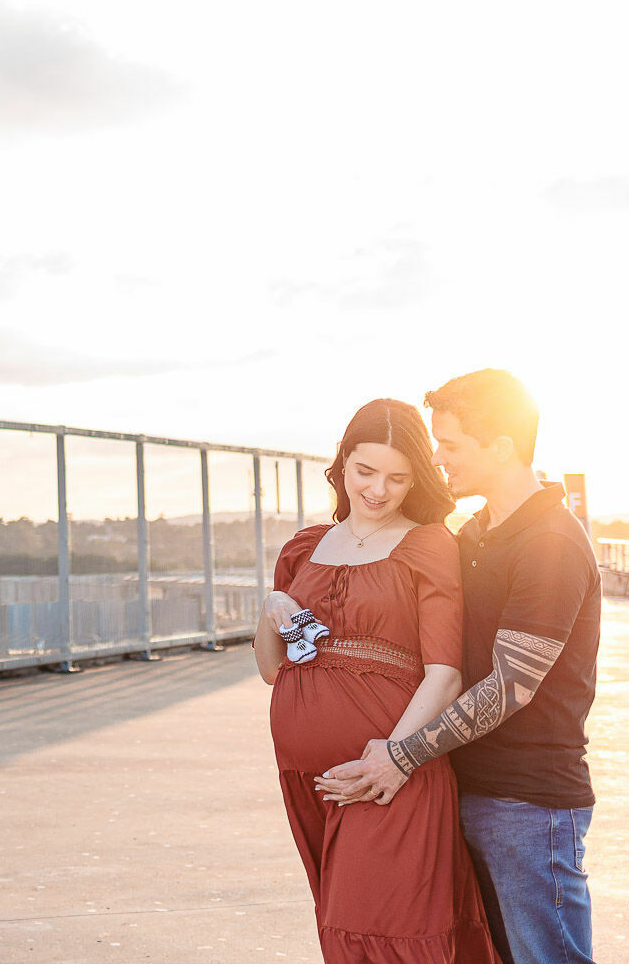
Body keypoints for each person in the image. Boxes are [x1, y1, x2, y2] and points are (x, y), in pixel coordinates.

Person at [316, 370, 601, 964]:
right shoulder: (473, 534)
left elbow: (511, 685)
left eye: (450, 445)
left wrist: (402, 755)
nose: (438, 459)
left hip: (528, 806)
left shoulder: (551, 542)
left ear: (499, 448)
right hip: (462, 789)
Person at [260, 398, 500, 962]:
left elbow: (444, 675)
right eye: (365, 471)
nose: (378, 490)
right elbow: (273, 669)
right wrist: (270, 605)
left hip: (390, 772)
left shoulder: (428, 543)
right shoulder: (303, 547)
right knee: (342, 932)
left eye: (397, 478)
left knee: (382, 936)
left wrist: (392, 758)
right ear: (342, 463)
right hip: (309, 777)